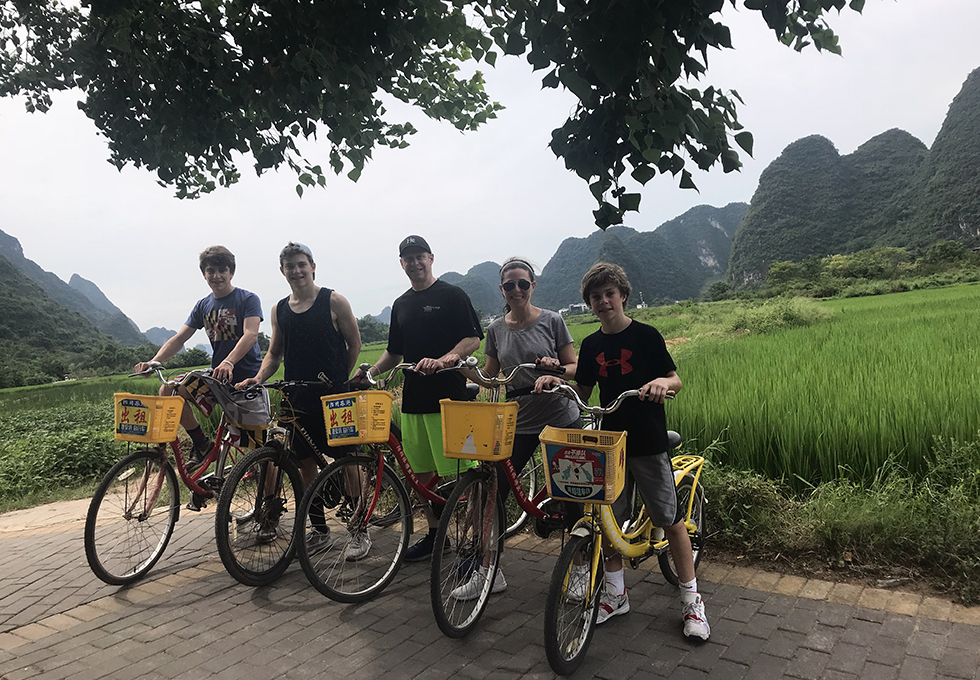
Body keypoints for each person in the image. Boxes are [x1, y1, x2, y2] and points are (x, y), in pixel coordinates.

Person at [539, 262, 709, 640]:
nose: (603, 302)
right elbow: (582, 390)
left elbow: (676, 379)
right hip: (610, 441)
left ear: (623, 296)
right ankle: (615, 594)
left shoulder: (646, 336)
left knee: (670, 519)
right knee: (608, 520)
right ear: (589, 303)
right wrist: (555, 380)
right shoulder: (592, 344)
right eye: (595, 297)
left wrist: (661, 385)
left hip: (647, 440)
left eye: (609, 294)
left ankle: (691, 601)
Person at [451, 257, 580, 600]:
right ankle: (489, 571)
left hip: (560, 416)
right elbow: (490, 378)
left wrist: (556, 373)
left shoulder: (552, 320)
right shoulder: (495, 329)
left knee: (574, 495)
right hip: (519, 421)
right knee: (493, 494)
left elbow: (574, 365)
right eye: (510, 285)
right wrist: (464, 369)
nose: (517, 290)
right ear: (502, 290)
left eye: (523, 283)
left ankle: (580, 567)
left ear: (532, 286)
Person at [358, 235, 483, 563]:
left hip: (450, 398)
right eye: (407, 258)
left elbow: (472, 339)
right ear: (401, 264)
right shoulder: (400, 304)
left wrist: (446, 359)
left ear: (431, 258)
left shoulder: (452, 295)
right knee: (420, 477)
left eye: (419, 257)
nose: (414, 263)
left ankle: (475, 541)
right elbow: (393, 351)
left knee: (467, 474)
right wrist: (371, 371)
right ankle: (435, 537)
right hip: (413, 400)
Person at [235, 243, 363, 550]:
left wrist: (338, 380)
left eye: (302, 264)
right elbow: (274, 353)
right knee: (305, 464)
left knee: (348, 460)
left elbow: (354, 344)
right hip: (296, 399)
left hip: (335, 398)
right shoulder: (279, 310)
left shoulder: (334, 301)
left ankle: (360, 530)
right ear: (282, 271)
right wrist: (258, 377)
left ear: (313, 266)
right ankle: (320, 530)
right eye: (290, 266)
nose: (297, 271)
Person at [135, 246, 262, 469]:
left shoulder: (247, 299)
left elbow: (250, 335)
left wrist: (229, 361)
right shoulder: (203, 305)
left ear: (231, 272)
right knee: (169, 390)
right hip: (217, 378)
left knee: (259, 448)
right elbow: (180, 338)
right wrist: (155, 361)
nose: (217, 276)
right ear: (204, 274)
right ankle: (202, 443)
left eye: (222, 270)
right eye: (211, 271)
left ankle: (269, 496)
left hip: (246, 379)